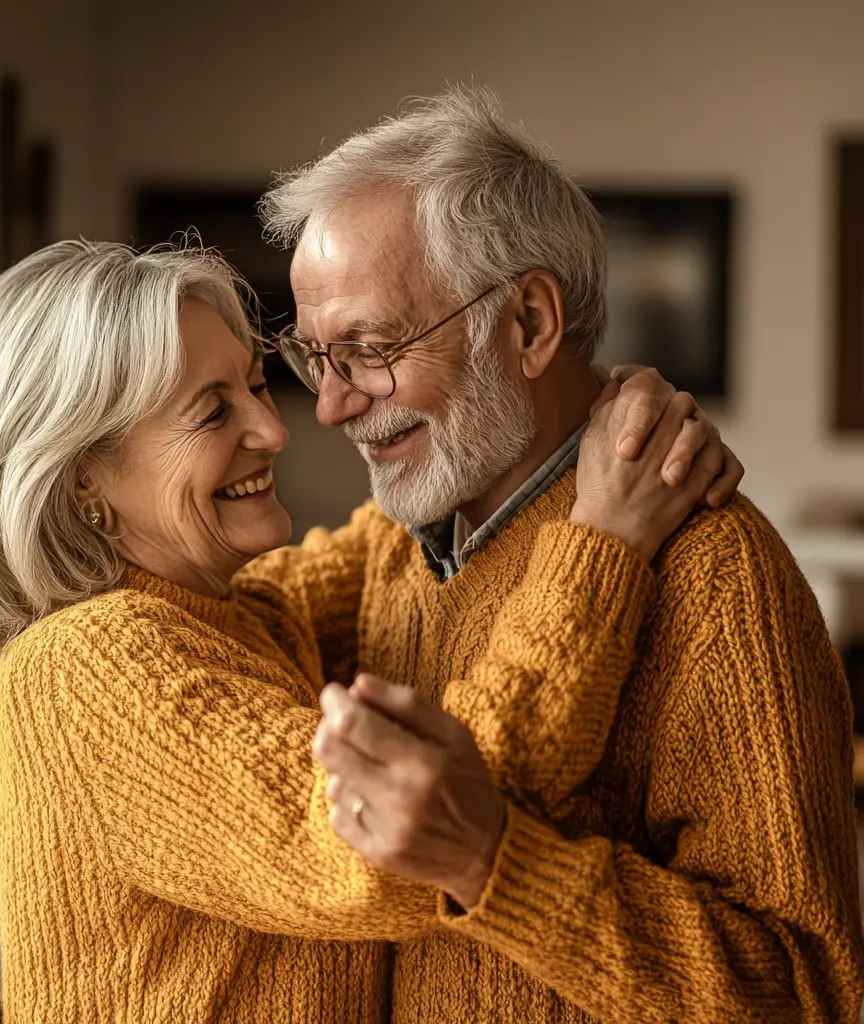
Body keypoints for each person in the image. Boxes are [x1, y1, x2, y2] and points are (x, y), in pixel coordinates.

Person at [0, 240, 735, 1023]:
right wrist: (604, 542)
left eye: (256, 385)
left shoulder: (248, 616)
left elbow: (399, 540)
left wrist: (610, 414)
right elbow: (409, 829)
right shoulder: (79, 668)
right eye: (211, 412)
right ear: (81, 479)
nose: (273, 432)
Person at [256, 85, 864, 1023]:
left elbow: (802, 995)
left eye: (370, 349)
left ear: (530, 325)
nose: (331, 407)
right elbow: (209, 608)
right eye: (315, 358)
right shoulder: (393, 547)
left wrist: (495, 862)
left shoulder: (718, 577)